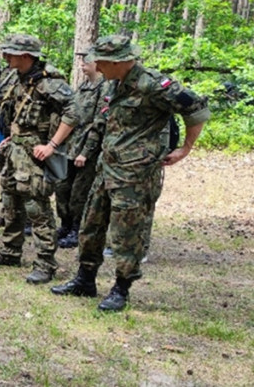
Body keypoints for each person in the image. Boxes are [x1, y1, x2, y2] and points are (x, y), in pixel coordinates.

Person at [51, 35, 209, 312]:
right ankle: (85, 280)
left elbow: (197, 108)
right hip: (106, 168)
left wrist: (185, 148)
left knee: (128, 233)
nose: (96, 66)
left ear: (118, 61)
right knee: (90, 227)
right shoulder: (114, 83)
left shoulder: (154, 84)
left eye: (100, 61)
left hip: (135, 174)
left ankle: (121, 289)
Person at [0, 34, 77, 285]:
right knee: (11, 201)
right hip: (15, 151)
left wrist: (52, 145)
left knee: (37, 207)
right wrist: (11, 137)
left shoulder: (50, 83)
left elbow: (74, 111)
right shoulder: (18, 78)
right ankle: (10, 251)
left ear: (26, 56)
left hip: (36, 154)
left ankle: (45, 263)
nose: (6, 57)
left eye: (11, 53)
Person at [54, 51, 107, 248]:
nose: (82, 65)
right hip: (71, 146)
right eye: (81, 62)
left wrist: (86, 152)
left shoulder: (105, 88)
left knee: (80, 192)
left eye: (87, 61)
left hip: (88, 150)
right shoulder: (83, 87)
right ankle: (65, 225)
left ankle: (77, 229)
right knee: (62, 188)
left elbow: (98, 124)